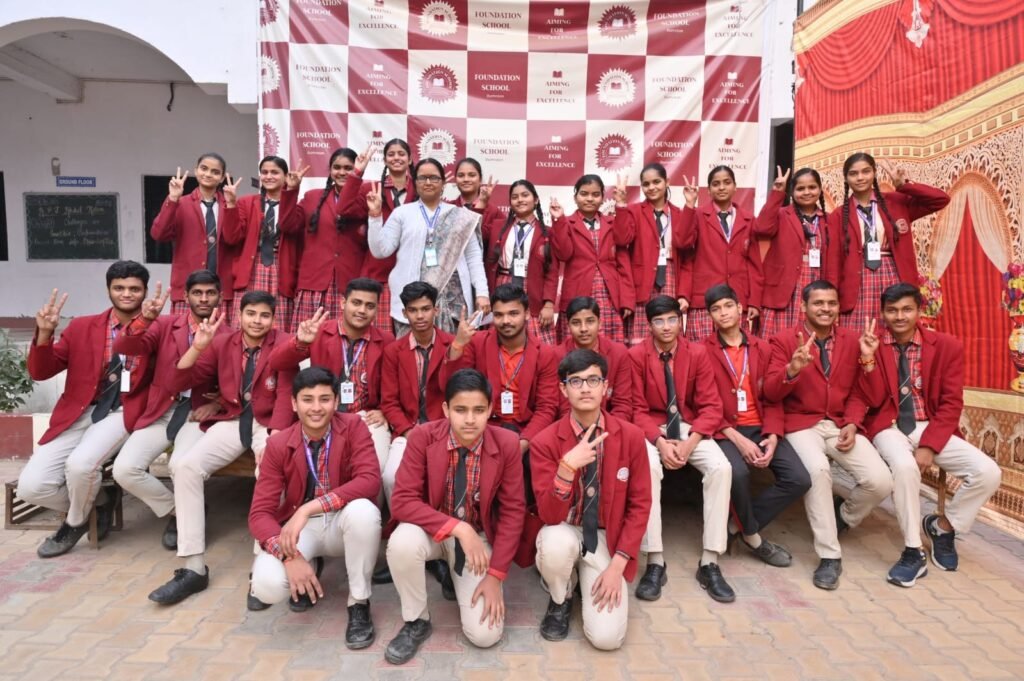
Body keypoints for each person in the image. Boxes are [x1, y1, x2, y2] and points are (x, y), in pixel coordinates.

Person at [148, 291, 296, 605]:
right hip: (233, 418)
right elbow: (177, 382)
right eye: (251, 314)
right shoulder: (222, 342)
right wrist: (198, 346)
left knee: (271, 469)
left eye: (265, 315)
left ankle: (263, 565)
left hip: (269, 421)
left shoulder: (284, 343)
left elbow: (286, 394)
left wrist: (277, 436)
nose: (257, 321)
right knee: (186, 467)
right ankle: (193, 567)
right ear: (239, 316)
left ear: (274, 319)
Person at [860, 283, 1001, 585]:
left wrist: (929, 445)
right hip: (889, 426)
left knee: (988, 472)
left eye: (906, 309)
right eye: (892, 310)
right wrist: (868, 359)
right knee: (905, 467)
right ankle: (913, 550)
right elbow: (872, 399)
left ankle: (942, 527)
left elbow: (951, 403)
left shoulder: (946, 346)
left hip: (931, 425)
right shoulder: (873, 345)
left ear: (919, 311)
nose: (899, 316)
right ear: (882, 313)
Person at [384, 369, 526, 665]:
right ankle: (416, 620)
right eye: (461, 410)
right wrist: (458, 528)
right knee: (401, 543)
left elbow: (513, 512)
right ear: (446, 409)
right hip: (433, 531)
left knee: (485, 635)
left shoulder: (507, 443)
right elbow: (402, 501)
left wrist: (495, 576)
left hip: (478, 539)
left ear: (490, 409)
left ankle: (456, 573)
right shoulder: (423, 436)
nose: (470, 419)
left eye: (479, 410)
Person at [763, 280, 893, 591]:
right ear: (803, 307)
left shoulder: (853, 341)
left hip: (838, 424)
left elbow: (867, 395)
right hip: (800, 424)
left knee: (881, 481)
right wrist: (792, 370)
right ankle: (829, 555)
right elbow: (769, 392)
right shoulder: (783, 340)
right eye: (818, 303)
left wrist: (853, 421)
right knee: (818, 471)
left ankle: (842, 516)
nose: (826, 309)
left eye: (831, 303)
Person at [18, 261, 154, 557]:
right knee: (31, 487)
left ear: (144, 292)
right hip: (79, 411)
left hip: (122, 411)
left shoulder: (158, 327)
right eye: (119, 288)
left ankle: (74, 523)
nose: (126, 294)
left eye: (134, 288)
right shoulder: (81, 327)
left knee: (80, 466)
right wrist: (45, 335)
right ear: (108, 290)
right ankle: (102, 500)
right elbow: (41, 371)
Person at [248, 367, 382, 648]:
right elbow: (259, 514)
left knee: (365, 512)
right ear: (294, 404)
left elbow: (370, 480)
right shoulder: (278, 444)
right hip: (304, 531)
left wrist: (308, 508)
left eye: (325, 399)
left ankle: (359, 602)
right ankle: (307, 563)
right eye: (307, 400)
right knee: (266, 586)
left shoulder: (354, 427)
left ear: (336, 401)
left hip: (343, 519)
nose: (317, 408)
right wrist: (289, 557)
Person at [531, 349, 651, 650]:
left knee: (607, 639)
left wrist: (617, 566)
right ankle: (561, 596)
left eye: (593, 380)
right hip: (565, 528)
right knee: (553, 543)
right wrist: (566, 468)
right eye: (576, 381)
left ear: (605, 387)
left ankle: (588, 579)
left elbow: (640, 505)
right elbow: (548, 515)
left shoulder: (631, 436)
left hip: (606, 537)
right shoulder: (544, 442)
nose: (585, 388)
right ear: (563, 389)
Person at [112, 270, 227, 550]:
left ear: (220, 297)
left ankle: (186, 525)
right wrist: (144, 320)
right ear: (185, 296)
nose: (203, 298)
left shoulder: (230, 335)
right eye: (197, 293)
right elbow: (125, 345)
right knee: (124, 470)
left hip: (196, 415)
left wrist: (219, 402)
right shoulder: (164, 325)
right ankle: (178, 510)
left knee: (179, 466)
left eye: (210, 293)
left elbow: (236, 377)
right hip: (162, 410)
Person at [629, 295, 733, 602]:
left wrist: (690, 443)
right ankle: (655, 560)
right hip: (652, 428)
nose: (666, 327)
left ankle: (710, 561)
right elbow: (635, 410)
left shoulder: (697, 353)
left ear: (681, 321)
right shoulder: (636, 356)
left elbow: (711, 406)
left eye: (672, 319)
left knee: (721, 468)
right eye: (659, 321)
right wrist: (660, 443)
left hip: (689, 428)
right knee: (648, 467)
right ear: (649, 325)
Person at [702, 284, 811, 566]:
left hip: (760, 426)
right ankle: (753, 537)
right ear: (710, 316)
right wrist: (737, 440)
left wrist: (773, 435)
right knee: (737, 474)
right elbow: (702, 402)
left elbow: (773, 397)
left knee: (799, 479)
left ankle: (737, 525)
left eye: (728, 306)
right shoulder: (702, 351)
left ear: (740, 309)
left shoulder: (763, 348)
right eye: (716, 309)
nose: (723, 313)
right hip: (724, 430)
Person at [271, 278, 394, 473]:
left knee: (373, 468)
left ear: (377, 309)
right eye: (356, 303)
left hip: (367, 417)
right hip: (325, 412)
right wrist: (300, 342)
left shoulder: (386, 340)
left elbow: (394, 385)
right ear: (343, 303)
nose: (362, 310)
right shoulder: (320, 331)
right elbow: (276, 362)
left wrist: (384, 411)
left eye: (369, 306)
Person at [368, 157, 490, 335]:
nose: (428, 182)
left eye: (434, 178)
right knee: (411, 351)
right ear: (415, 182)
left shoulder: (461, 216)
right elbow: (380, 251)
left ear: (443, 183)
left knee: (455, 350)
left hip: (454, 304)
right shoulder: (402, 213)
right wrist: (374, 216)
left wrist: (482, 293)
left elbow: (474, 259)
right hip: (413, 301)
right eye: (422, 178)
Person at [830, 153, 950, 332]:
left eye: (866, 171)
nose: (860, 177)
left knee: (895, 330)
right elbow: (834, 260)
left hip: (893, 274)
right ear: (846, 178)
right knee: (857, 334)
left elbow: (940, 199)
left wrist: (904, 185)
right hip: (857, 279)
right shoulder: (838, 215)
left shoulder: (896, 202)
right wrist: (832, 300)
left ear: (874, 173)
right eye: (853, 173)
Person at [440, 284, 560, 459]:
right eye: (498, 315)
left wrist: (522, 444)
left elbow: (546, 408)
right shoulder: (477, 342)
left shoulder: (545, 354)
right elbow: (450, 386)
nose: (506, 321)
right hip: (484, 427)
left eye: (513, 313)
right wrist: (458, 344)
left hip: (524, 430)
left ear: (527, 314)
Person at [379, 282, 453, 501]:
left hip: (444, 430)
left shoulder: (452, 346)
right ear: (404, 313)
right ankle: (400, 519)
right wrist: (409, 432)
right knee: (391, 478)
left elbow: (457, 393)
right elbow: (389, 402)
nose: (420, 316)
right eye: (413, 310)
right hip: (408, 430)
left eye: (425, 309)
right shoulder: (393, 351)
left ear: (436, 309)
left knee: (443, 477)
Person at [676, 166, 762, 340]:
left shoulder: (748, 219)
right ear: (708, 190)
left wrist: (754, 301)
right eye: (716, 184)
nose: (721, 187)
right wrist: (690, 204)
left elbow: (754, 265)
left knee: (735, 349)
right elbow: (682, 243)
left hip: (736, 300)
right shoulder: (697, 215)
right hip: (704, 300)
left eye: (726, 182)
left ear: (735, 187)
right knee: (701, 351)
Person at [342, 138, 418, 335]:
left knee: (408, 338)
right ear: (384, 160)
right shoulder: (372, 189)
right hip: (379, 274)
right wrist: (357, 173)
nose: (396, 158)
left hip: (411, 275)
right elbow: (344, 209)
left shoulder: (420, 190)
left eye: (401, 154)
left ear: (410, 159)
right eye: (391, 154)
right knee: (379, 337)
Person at [225, 155, 309, 331]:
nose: (268, 176)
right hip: (251, 268)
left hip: (281, 268)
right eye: (264, 172)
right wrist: (231, 204)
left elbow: (289, 226)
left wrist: (291, 191)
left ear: (286, 176)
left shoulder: (297, 207)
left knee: (277, 327)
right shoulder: (247, 203)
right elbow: (231, 237)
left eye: (275, 172)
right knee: (246, 325)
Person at [754, 167, 840, 338]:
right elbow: (761, 228)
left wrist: (832, 294)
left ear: (820, 189)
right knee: (777, 340)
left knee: (811, 338)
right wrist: (777, 193)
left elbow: (833, 261)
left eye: (812, 187)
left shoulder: (828, 219)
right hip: (784, 288)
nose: (807, 192)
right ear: (792, 192)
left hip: (815, 284)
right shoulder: (781, 214)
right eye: (800, 188)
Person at [151, 153, 241, 316]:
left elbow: (232, 238)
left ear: (222, 178)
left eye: (215, 172)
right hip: (188, 288)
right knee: (184, 331)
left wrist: (231, 205)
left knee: (220, 332)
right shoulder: (181, 203)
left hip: (220, 290)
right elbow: (159, 234)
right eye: (204, 169)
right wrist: (172, 198)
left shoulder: (230, 204)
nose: (208, 174)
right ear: (196, 170)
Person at [549, 174, 634, 344]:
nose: (589, 199)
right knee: (577, 348)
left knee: (609, 348)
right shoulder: (566, 223)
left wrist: (621, 205)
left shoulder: (612, 222)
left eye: (595, 194)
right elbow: (563, 254)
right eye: (584, 194)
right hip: (577, 294)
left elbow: (624, 242)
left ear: (602, 198)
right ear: (575, 197)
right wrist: (558, 220)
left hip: (609, 297)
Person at [612, 163, 687, 344]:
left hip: (670, 276)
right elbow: (621, 240)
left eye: (656, 182)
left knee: (668, 333)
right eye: (646, 184)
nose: (651, 187)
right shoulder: (633, 211)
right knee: (641, 341)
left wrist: (684, 293)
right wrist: (620, 204)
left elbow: (686, 257)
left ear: (667, 182)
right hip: (643, 280)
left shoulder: (678, 213)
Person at [293, 148, 362, 327]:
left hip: (348, 281)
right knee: (309, 336)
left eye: (348, 168)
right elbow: (288, 225)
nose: (342, 172)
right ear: (330, 170)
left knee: (344, 336)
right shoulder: (312, 197)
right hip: (315, 280)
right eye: (337, 167)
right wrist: (291, 190)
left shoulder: (364, 197)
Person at [483, 179, 558, 344]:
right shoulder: (498, 226)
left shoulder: (547, 233)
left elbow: (552, 272)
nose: (520, 200)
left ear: (535, 200)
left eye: (525, 195)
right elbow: (475, 233)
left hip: (532, 289)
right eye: (515, 197)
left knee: (537, 345)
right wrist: (483, 202)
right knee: (501, 339)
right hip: (503, 284)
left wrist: (548, 304)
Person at [555, 296, 632, 420]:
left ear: (599, 323)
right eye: (576, 323)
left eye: (590, 321)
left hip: (610, 424)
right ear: (568, 325)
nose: (583, 329)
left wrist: (607, 429)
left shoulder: (618, 353)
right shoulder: (556, 356)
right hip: (570, 424)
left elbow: (622, 404)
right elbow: (562, 407)